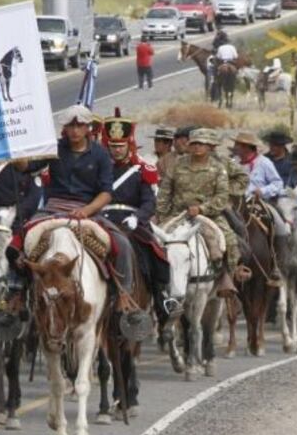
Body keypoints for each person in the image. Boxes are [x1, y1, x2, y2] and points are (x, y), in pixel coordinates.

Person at [29, 105, 147, 321]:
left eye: (80, 125)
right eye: (70, 125)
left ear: (87, 128)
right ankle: (16, 293)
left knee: (122, 244)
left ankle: (124, 295)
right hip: (53, 208)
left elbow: (106, 193)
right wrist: (15, 152)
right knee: (20, 239)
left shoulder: (101, 154)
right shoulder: (53, 148)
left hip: (87, 210)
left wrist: (86, 210)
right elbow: (27, 166)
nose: (74, 130)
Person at [99, 110, 172, 320]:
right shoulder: (98, 168)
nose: (117, 150)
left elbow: (150, 201)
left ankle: (162, 299)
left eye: (121, 145)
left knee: (156, 253)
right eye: (113, 146)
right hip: (101, 220)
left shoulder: (143, 169)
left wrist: (137, 217)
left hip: (132, 222)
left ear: (129, 144)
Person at [158, 128, 250, 290]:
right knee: (156, 238)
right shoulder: (178, 165)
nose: (197, 147)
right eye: (194, 143)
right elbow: (165, 191)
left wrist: (202, 209)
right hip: (178, 214)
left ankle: (227, 276)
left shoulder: (219, 167)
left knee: (230, 239)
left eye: (202, 144)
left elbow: (221, 197)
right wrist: (162, 215)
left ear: (210, 146)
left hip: (210, 215)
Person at [233, 132, 287, 285]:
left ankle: (277, 265)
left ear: (247, 147)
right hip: (236, 203)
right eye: (237, 144)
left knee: (280, 225)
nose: (236, 148)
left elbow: (278, 184)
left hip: (258, 202)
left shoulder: (264, 162)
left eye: (239, 145)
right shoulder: (233, 163)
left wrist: (262, 191)